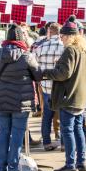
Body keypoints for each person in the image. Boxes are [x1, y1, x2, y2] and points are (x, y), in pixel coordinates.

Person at [0, 24, 43, 171]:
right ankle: (13, 168)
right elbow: (38, 75)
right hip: (21, 101)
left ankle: (1, 169)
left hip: (1, 100)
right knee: (17, 135)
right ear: (21, 38)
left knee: (3, 133)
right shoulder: (26, 56)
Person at [43, 19, 86, 171]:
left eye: (63, 36)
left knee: (68, 130)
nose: (61, 38)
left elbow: (64, 74)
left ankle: (70, 164)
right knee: (78, 129)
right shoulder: (84, 50)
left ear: (70, 36)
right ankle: (81, 162)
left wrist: (46, 72)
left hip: (69, 97)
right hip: (80, 96)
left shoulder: (70, 50)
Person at [35, 22, 64, 150]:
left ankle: (46, 142)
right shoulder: (64, 47)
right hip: (61, 87)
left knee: (47, 115)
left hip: (46, 86)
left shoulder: (41, 47)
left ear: (49, 32)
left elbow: (34, 65)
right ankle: (64, 142)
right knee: (63, 116)